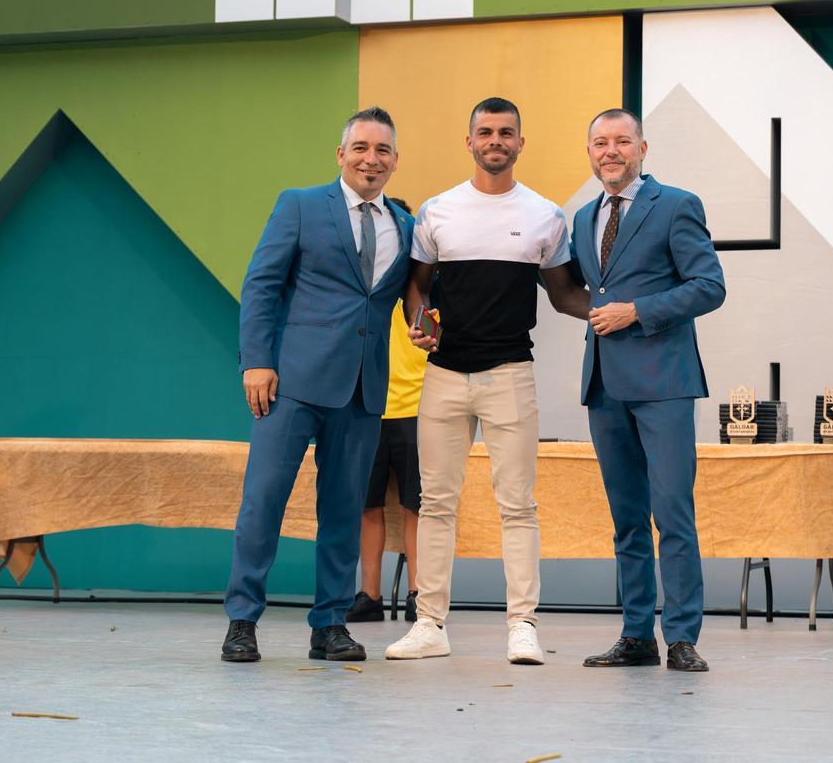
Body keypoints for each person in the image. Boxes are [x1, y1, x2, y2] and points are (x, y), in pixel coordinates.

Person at [385, 97, 583, 665]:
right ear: (469, 141)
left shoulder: (546, 216)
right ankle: (429, 625)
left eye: (506, 132)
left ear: (520, 142)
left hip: (510, 374)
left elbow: (564, 294)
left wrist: (628, 310)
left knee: (517, 505)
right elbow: (417, 286)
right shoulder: (437, 211)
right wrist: (420, 322)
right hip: (444, 376)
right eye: (486, 132)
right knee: (435, 503)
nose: (496, 140)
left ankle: (523, 625)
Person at [222, 107, 414, 663]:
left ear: (395, 160)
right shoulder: (300, 205)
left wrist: (426, 326)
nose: (371, 159)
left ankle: (330, 624)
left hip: (362, 390)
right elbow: (261, 284)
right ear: (341, 154)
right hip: (290, 384)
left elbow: (409, 300)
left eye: (382, 150)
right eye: (361, 148)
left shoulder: (405, 226)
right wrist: (257, 361)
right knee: (263, 503)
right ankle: (242, 621)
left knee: (344, 511)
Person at [568, 108, 726, 673]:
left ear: (642, 148)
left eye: (621, 141)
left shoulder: (677, 205)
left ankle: (681, 636)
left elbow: (709, 286)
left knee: (672, 514)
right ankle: (637, 635)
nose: (610, 151)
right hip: (604, 385)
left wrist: (636, 311)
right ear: (590, 152)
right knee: (627, 520)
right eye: (600, 142)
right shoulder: (583, 216)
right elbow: (583, 289)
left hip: (664, 383)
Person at [347, 198, 425, 624]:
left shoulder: (424, 293)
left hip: (416, 411)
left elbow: (436, 341)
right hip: (368, 409)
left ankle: (419, 594)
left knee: (417, 508)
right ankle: (370, 594)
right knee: (367, 506)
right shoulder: (362, 293)